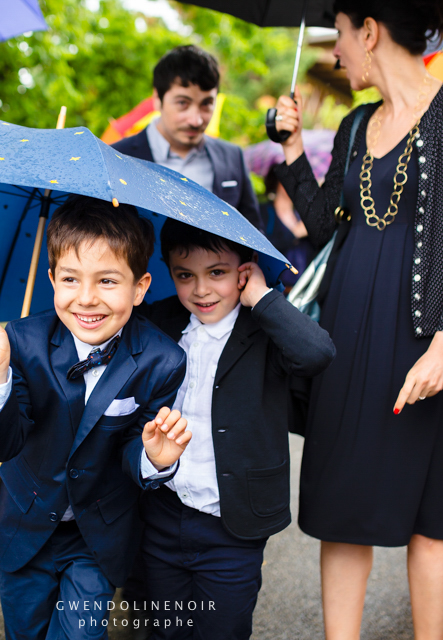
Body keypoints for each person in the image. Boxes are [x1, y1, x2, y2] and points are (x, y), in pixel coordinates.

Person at [272, 0, 443, 637]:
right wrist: (292, 148)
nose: (336, 51)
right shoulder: (354, 123)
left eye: (340, 35)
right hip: (346, 340)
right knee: (342, 504)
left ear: (369, 31)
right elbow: (321, 227)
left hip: (434, 342)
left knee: (436, 517)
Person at [0, 195, 193, 640]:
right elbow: (2, 446)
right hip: (24, 530)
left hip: (96, 536)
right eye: (70, 279)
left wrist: (155, 458)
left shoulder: (163, 360)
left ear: (140, 288)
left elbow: (130, 451)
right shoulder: (20, 342)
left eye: (107, 281)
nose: (86, 298)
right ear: (51, 280)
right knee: (24, 633)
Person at [135, 220, 335, 638]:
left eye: (218, 273)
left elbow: (316, 354)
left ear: (244, 271)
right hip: (164, 516)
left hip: (233, 525)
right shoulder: (161, 320)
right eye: (185, 275)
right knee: (165, 630)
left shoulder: (263, 328)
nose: (201, 290)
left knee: (222, 629)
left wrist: (262, 297)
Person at [112, 45, 263, 231]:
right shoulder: (117, 157)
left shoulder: (232, 157)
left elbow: (254, 232)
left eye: (206, 104)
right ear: (157, 98)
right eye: (183, 103)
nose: (196, 120)